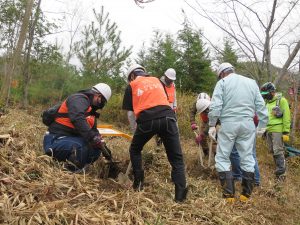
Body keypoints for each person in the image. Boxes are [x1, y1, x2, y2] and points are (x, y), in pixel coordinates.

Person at [122, 64, 188, 202]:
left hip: (147, 120)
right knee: (176, 158)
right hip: (169, 118)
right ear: (144, 72)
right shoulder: (157, 81)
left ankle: (138, 184)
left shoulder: (132, 85)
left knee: (135, 149)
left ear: (132, 76)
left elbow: (130, 114)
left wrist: (135, 132)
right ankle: (180, 196)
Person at [208, 62, 268, 202]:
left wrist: (212, 124)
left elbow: (216, 105)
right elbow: (261, 105)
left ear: (222, 73)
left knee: (222, 157)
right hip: (248, 124)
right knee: (247, 157)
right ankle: (245, 195)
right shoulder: (251, 83)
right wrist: (262, 125)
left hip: (229, 123)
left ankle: (229, 196)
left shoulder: (222, 82)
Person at [191, 94, 261, 186]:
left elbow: (214, 120)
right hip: (244, 125)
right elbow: (196, 114)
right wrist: (193, 123)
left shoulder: (219, 105)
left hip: (239, 126)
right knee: (244, 153)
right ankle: (248, 178)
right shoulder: (200, 104)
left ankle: (241, 176)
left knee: (236, 152)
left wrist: (203, 134)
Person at [43, 83, 112, 172]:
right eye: (102, 102)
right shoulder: (78, 99)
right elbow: (77, 118)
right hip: (56, 139)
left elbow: (93, 131)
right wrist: (93, 138)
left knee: (96, 149)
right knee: (79, 148)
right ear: (98, 97)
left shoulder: (91, 111)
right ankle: (68, 171)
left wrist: (103, 147)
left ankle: (80, 166)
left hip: (71, 139)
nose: (100, 106)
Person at [260, 82, 291, 181]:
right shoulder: (267, 103)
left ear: (272, 92)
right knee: (272, 150)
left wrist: (286, 131)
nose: (265, 96)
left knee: (278, 150)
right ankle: (279, 168)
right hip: (268, 129)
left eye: (266, 94)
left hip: (278, 129)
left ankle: (281, 174)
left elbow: (286, 116)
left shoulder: (282, 100)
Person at [155, 68, 177, 146]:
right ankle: (159, 145)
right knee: (161, 127)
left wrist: (174, 106)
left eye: (172, 79)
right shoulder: (159, 84)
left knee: (172, 127)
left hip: (171, 107)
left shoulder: (173, 84)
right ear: (165, 76)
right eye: (170, 79)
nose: (171, 81)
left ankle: (170, 144)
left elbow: (174, 96)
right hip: (162, 108)